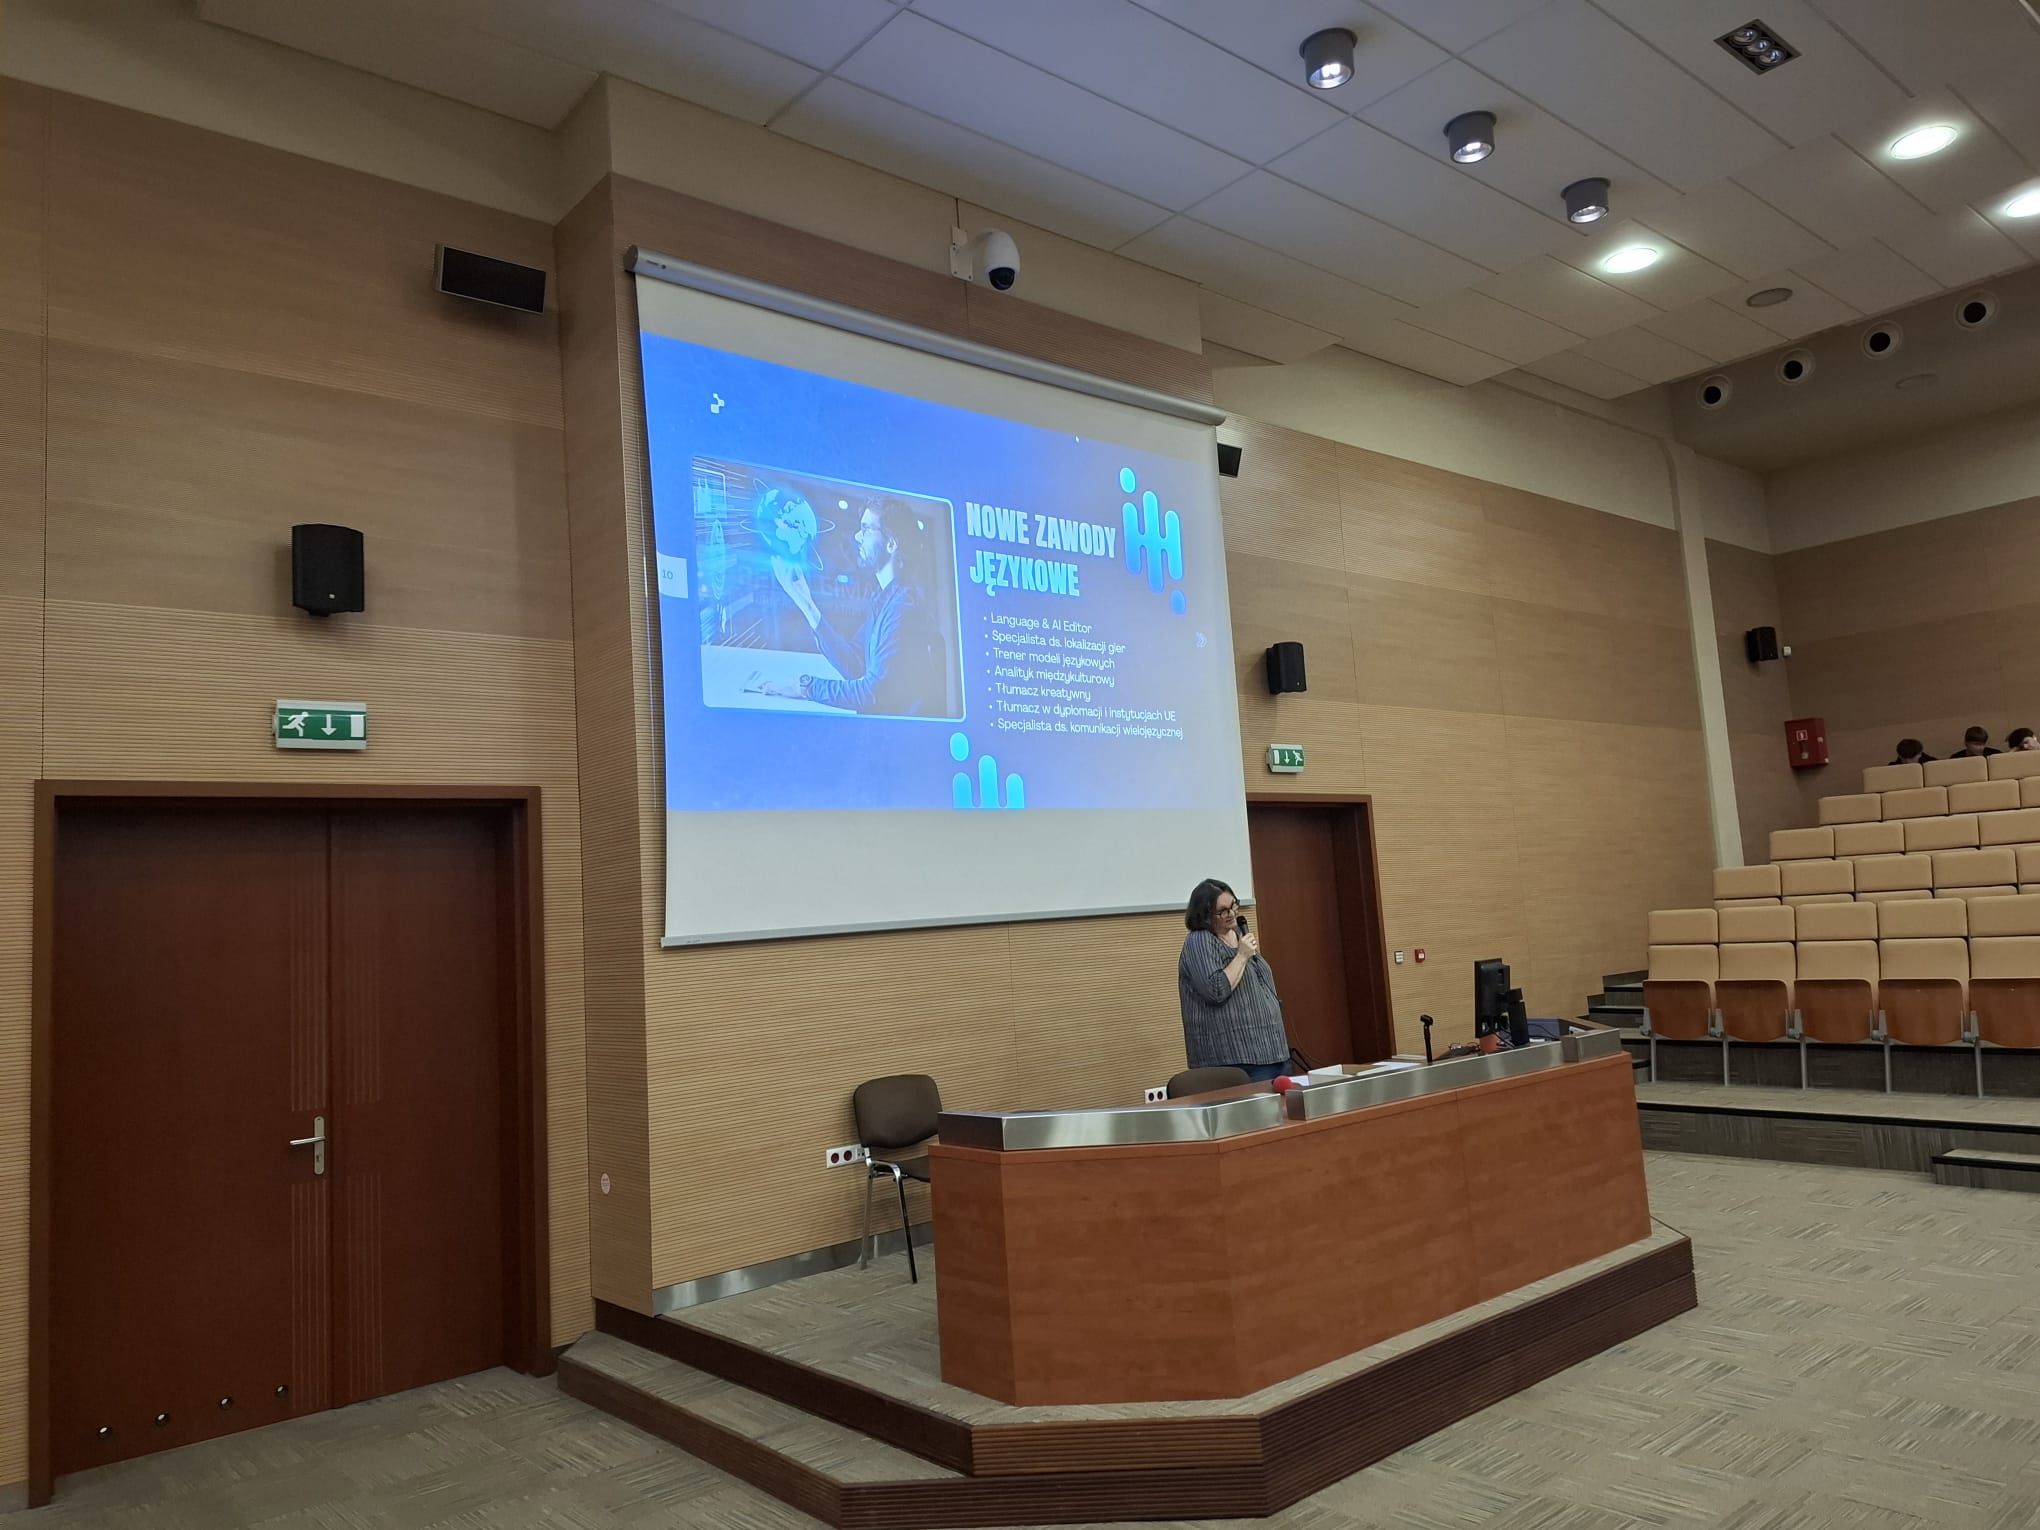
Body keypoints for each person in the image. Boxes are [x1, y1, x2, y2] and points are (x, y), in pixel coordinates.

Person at [758, 498, 944, 716]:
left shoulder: (903, 609)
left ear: (891, 544)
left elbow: (872, 693)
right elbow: (856, 665)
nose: (857, 536)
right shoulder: (885, 601)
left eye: (866, 529)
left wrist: (804, 687)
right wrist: (806, 603)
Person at [1177, 878, 1291, 1083]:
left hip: (1271, 1049)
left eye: (1233, 905)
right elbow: (1215, 990)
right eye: (1222, 911)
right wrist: (1241, 955)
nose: (1231, 913)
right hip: (1236, 1058)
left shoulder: (1239, 934)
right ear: (1204, 914)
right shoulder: (1200, 940)